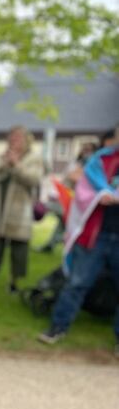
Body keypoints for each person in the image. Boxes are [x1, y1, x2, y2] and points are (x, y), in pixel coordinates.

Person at [38, 126, 119, 356]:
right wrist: (101, 195)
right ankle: (58, 327)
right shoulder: (101, 160)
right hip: (96, 234)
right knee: (77, 283)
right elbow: (84, 190)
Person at [0, 126, 44, 293]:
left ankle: (14, 281)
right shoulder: (2, 155)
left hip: (19, 210)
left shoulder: (34, 158)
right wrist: (4, 162)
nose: (14, 141)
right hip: (0, 206)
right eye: (12, 137)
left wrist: (17, 165)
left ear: (26, 140)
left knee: (19, 248)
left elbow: (34, 179)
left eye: (18, 138)